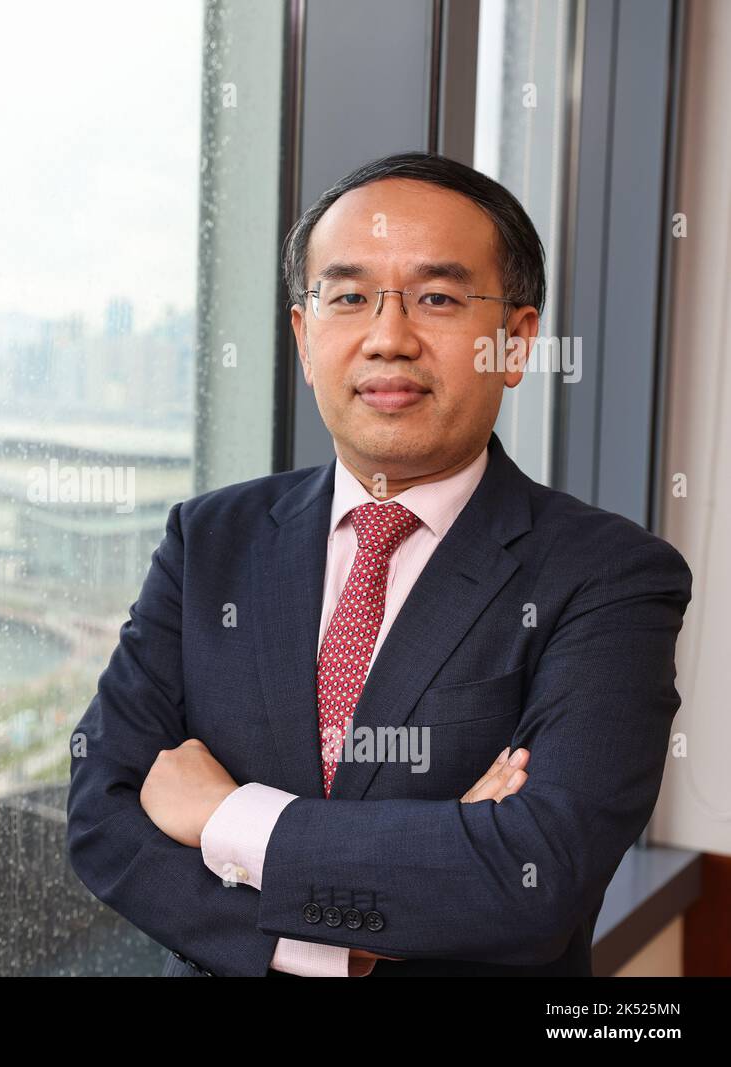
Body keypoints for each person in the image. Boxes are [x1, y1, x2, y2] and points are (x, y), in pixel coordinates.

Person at [65, 151, 693, 977]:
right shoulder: (211, 539)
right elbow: (102, 815)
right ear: (303, 335)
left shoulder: (610, 576)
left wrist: (226, 815)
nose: (388, 337)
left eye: (437, 297)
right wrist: (344, 939)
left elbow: (535, 875)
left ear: (515, 342)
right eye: (349, 297)